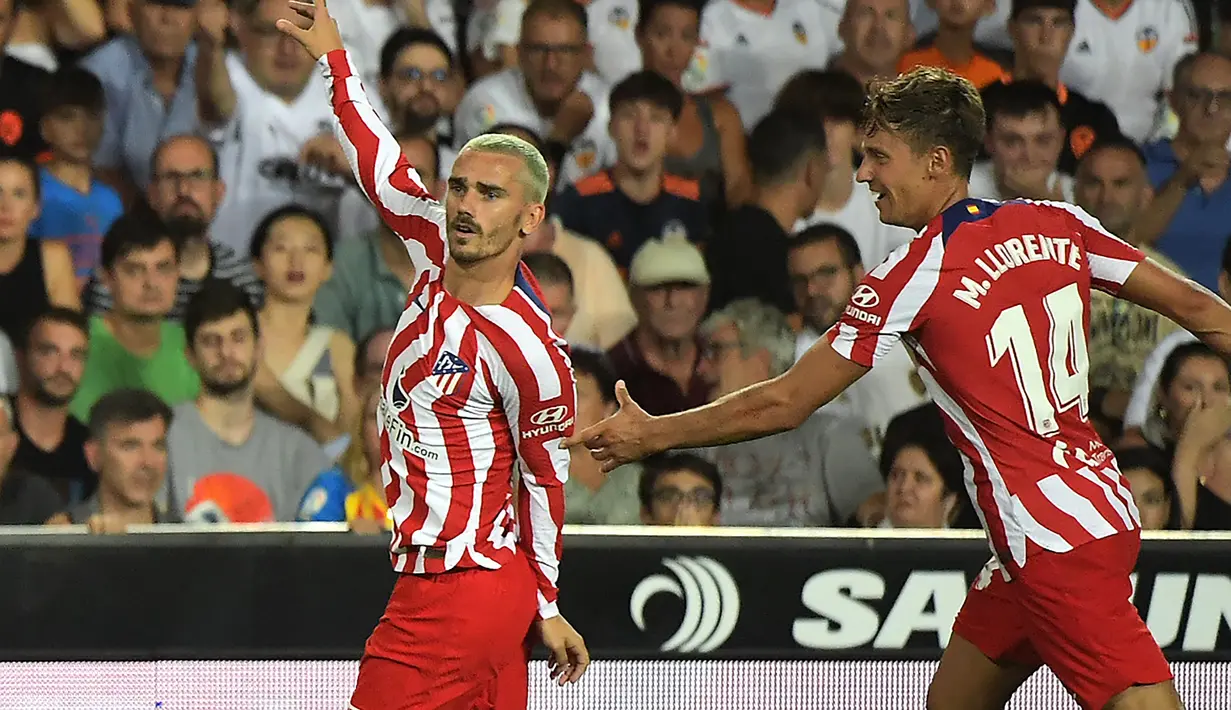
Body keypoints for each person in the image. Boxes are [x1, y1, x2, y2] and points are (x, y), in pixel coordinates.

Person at [568, 66, 1231, 710]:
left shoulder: (914, 271)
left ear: (935, 161)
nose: (862, 175)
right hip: (1090, 507)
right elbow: (1202, 311)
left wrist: (653, 433)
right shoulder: (1058, 222)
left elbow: (786, 400)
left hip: (1048, 539)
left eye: (877, 158)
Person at [277, 1, 589, 708]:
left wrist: (546, 603)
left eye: (489, 194)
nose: (464, 206)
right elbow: (373, 154)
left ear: (529, 220)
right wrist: (335, 59)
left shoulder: (530, 350)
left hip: (456, 595)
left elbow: (544, 482)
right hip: (472, 590)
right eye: (458, 187)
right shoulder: (429, 239)